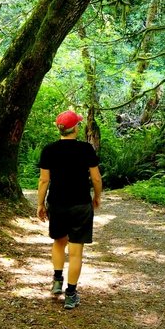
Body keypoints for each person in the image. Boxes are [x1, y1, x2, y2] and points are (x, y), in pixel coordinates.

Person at [36, 110, 102, 310]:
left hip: (57, 204)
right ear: (76, 128)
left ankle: (57, 281)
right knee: (76, 251)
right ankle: (71, 294)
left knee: (58, 242)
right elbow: (96, 178)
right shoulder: (86, 149)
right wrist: (97, 197)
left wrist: (40, 204)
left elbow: (44, 180)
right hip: (81, 204)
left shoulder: (49, 150)